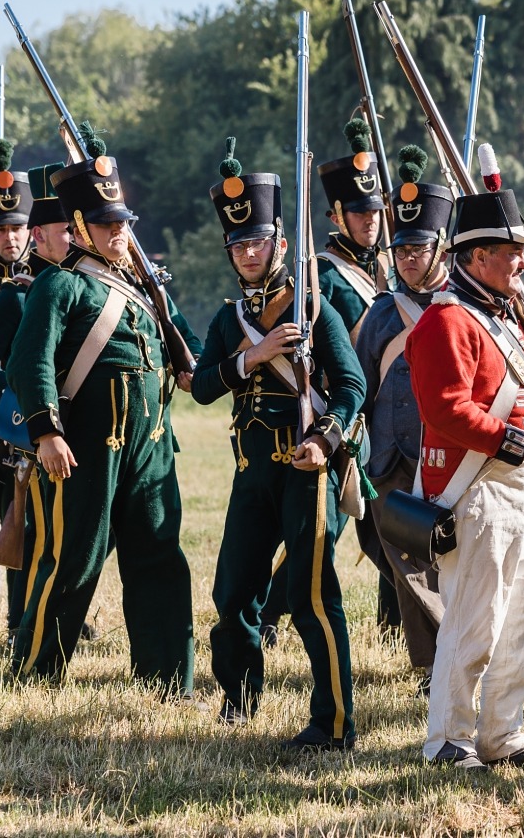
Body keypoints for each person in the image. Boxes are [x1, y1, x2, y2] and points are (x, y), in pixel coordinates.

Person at [4, 126, 199, 692]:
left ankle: (166, 680)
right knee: (73, 561)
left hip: (152, 447)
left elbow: (185, 353)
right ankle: (35, 674)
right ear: (82, 229)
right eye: (110, 226)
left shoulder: (146, 288)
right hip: (86, 446)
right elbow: (29, 362)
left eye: (124, 225)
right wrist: (45, 431)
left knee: (159, 557)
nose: (121, 234)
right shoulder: (60, 287)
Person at [189, 139, 366, 749]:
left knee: (311, 594)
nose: (246, 252)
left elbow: (352, 385)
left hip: (306, 466)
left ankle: (335, 722)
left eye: (256, 241)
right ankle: (239, 700)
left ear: (280, 244)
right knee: (234, 589)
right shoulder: (227, 320)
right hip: (251, 469)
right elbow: (205, 387)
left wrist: (327, 437)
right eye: (237, 245)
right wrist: (255, 355)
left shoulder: (315, 307)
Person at [406, 152, 524, 771]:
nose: (522, 261)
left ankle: (504, 734)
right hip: (479, 487)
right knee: (475, 619)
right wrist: (513, 439)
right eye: (511, 251)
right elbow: (446, 409)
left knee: (522, 619)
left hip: (522, 485)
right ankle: (449, 737)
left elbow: (523, 389)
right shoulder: (448, 319)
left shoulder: (505, 317)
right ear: (476, 258)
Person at [257, 117, 394, 646]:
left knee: (391, 524)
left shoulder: (384, 269)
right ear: (336, 215)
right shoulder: (323, 275)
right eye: (359, 212)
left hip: (388, 416)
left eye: (375, 211)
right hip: (347, 415)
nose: (369, 221)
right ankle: (267, 615)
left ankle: (395, 622)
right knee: (327, 529)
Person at [353, 145, 453, 691]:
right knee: (404, 566)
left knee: (447, 568)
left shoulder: (462, 306)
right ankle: (437, 667)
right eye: (401, 248)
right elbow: (363, 379)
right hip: (390, 461)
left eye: (418, 246)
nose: (408, 256)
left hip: (450, 459)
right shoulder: (383, 312)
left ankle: (453, 659)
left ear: (440, 247)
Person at [0, 159, 69, 637]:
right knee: (22, 529)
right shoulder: (18, 295)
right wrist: (16, 398)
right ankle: (18, 623)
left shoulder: (83, 290)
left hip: (73, 428)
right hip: (22, 428)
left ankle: (59, 609)